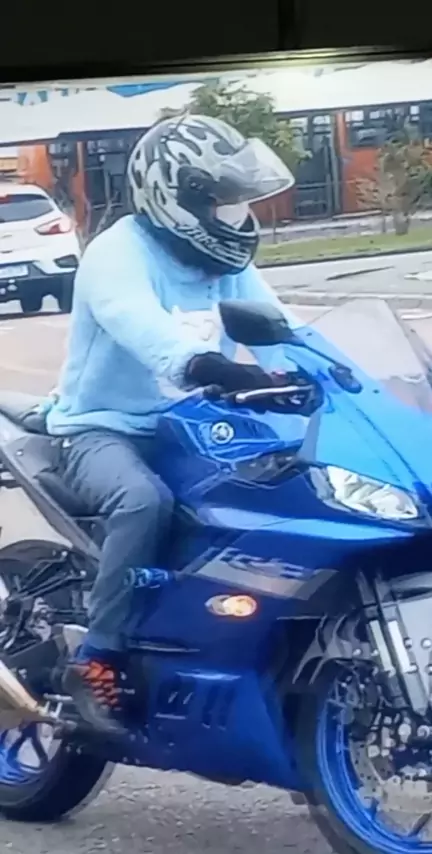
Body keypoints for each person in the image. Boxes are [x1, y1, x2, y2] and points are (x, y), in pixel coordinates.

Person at [45, 113, 299, 733]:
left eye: (236, 203)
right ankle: (97, 655)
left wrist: (328, 377)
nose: (232, 216)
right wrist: (212, 366)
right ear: (173, 195)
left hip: (195, 426)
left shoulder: (224, 261)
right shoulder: (116, 253)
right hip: (103, 428)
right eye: (219, 202)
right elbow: (140, 324)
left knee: (282, 488)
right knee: (142, 501)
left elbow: (279, 326)